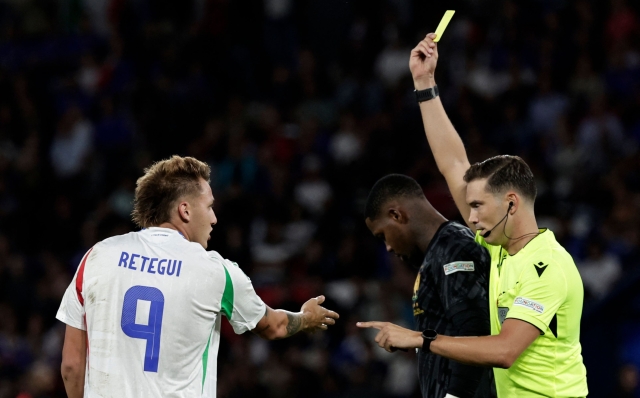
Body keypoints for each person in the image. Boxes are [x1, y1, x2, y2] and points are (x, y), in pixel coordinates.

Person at [358, 34, 588, 397]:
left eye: (478, 206)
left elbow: (505, 351)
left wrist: (420, 339)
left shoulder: (548, 266)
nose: (470, 215)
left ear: (511, 204)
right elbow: (453, 163)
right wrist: (424, 83)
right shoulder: (498, 249)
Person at [56, 155, 339, 398]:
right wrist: (305, 319)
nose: (215, 218)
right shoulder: (217, 272)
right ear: (185, 210)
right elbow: (272, 326)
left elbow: (71, 366)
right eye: (209, 206)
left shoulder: (96, 257)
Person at [361, 174, 494, 398]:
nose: (388, 248)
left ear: (396, 215)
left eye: (383, 235)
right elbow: (450, 333)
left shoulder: (453, 249)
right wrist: (415, 341)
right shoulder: (437, 253)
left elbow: (475, 333)